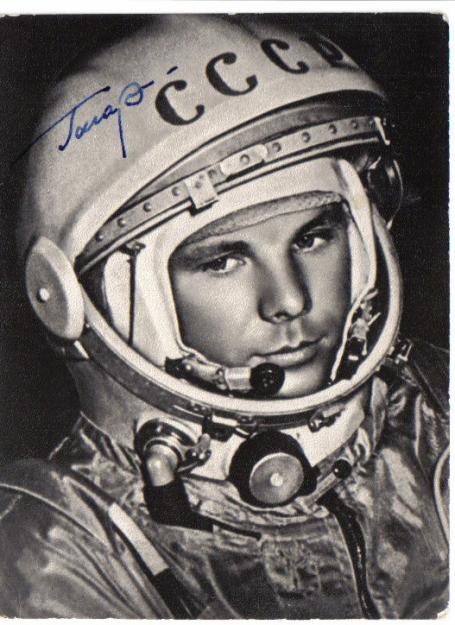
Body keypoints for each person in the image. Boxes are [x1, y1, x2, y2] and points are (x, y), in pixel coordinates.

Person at [0, 14, 448, 619]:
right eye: (223, 261)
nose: (289, 301)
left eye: (313, 237)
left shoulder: (435, 414)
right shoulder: (55, 548)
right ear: (108, 297)